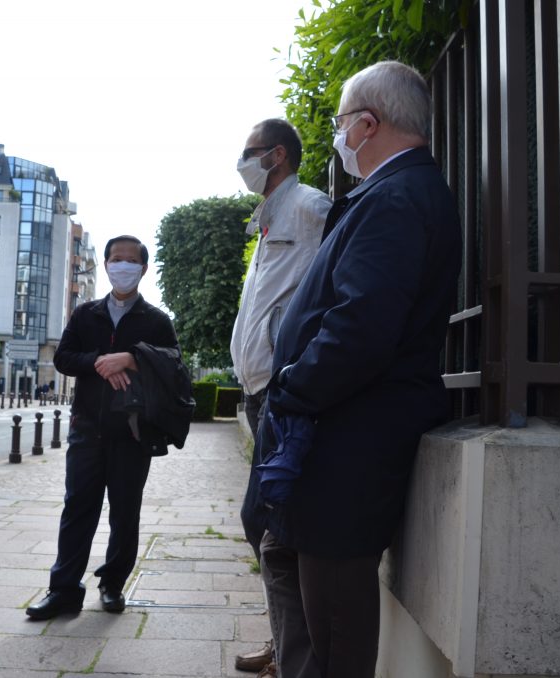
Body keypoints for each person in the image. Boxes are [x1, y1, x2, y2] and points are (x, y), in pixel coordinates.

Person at [258, 61, 462, 678]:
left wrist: (290, 390)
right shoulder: (396, 192)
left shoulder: (396, 196)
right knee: (311, 606)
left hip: (349, 443)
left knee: (337, 632)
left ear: (368, 123)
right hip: (341, 437)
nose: (340, 134)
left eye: (343, 122)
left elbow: (360, 328)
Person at [27, 235, 183, 620]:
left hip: (133, 431)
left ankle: (113, 584)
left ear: (143, 269)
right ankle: (63, 589)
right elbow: (63, 357)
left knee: (125, 511)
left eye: (131, 261)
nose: (123, 266)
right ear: (107, 265)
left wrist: (131, 359)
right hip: (87, 427)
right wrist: (101, 361)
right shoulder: (86, 314)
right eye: (116, 259)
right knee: (78, 507)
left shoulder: (157, 321)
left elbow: (174, 367)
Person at [231, 118, 332, 676]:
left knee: (268, 524)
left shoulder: (312, 206)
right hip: (257, 389)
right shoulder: (268, 219)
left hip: (283, 389)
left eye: (247, 154)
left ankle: (294, 651)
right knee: (265, 526)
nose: (240, 164)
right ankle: (283, 642)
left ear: (276, 155)